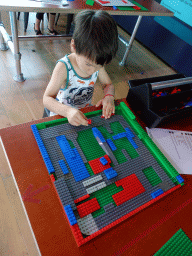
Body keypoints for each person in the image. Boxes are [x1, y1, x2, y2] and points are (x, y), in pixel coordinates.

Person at [43, 10, 118, 126]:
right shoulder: (64, 67)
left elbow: (108, 85)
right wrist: (68, 112)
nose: (92, 71)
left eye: (99, 66)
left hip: (82, 114)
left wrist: (109, 96)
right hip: (61, 117)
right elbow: (47, 99)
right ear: (74, 46)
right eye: (88, 64)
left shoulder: (95, 63)